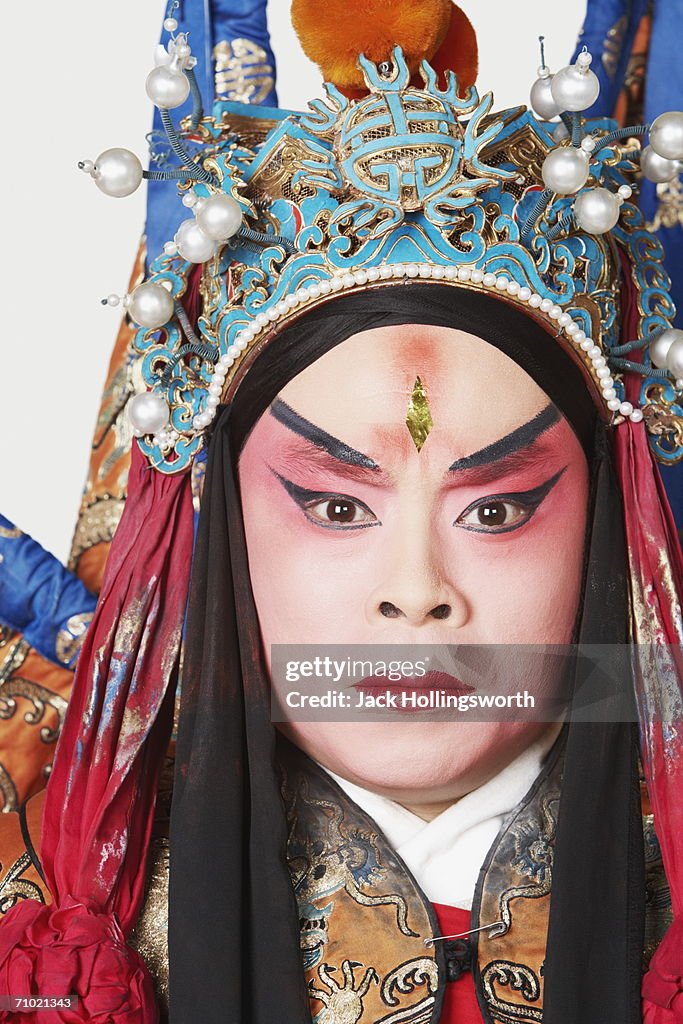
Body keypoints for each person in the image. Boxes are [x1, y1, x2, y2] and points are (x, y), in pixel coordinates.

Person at [0, 4, 682, 1024]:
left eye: (496, 509)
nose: (415, 597)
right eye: (331, 503)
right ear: (221, 524)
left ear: (605, 524)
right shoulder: (42, 877)